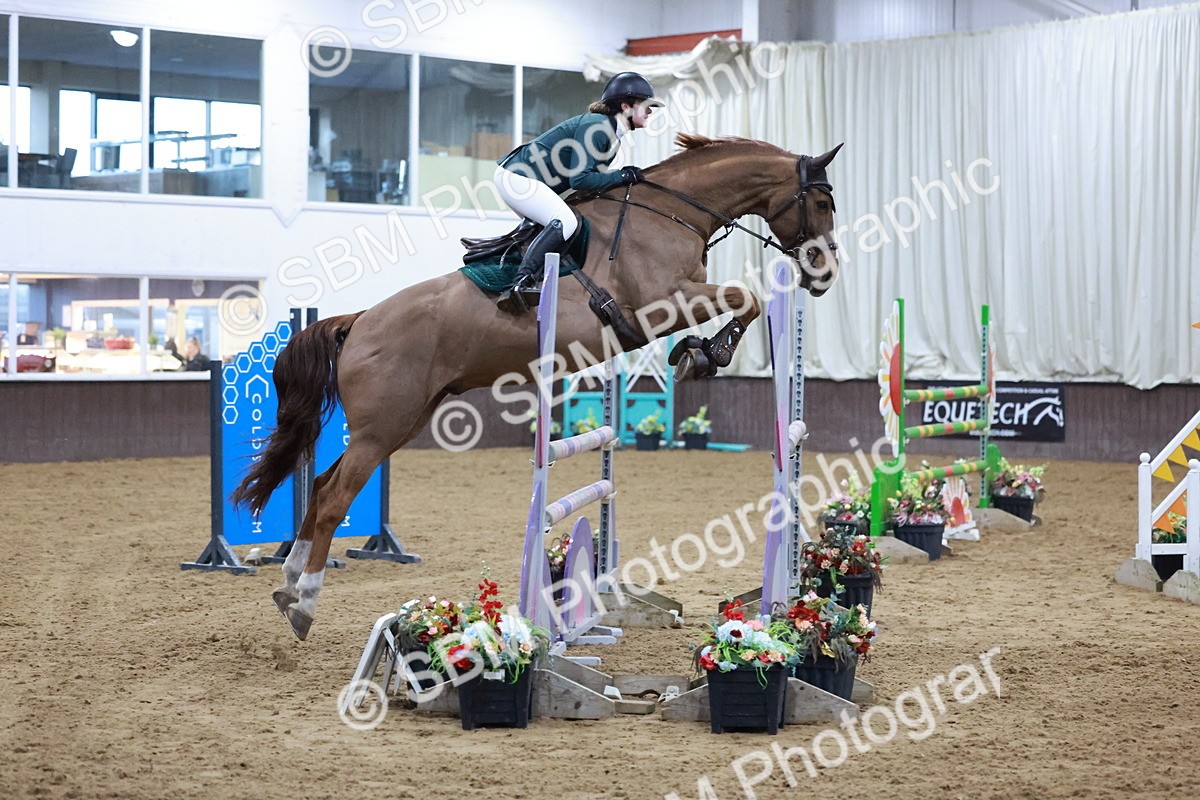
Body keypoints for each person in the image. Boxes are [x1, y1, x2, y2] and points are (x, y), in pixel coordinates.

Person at [492, 71, 664, 313]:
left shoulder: (612, 135)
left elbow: (591, 180)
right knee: (565, 221)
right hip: (517, 178)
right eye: (646, 105)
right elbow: (581, 179)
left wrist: (620, 176)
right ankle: (519, 283)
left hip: (528, 180)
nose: (650, 111)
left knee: (569, 222)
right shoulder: (598, 127)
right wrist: (623, 175)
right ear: (625, 106)